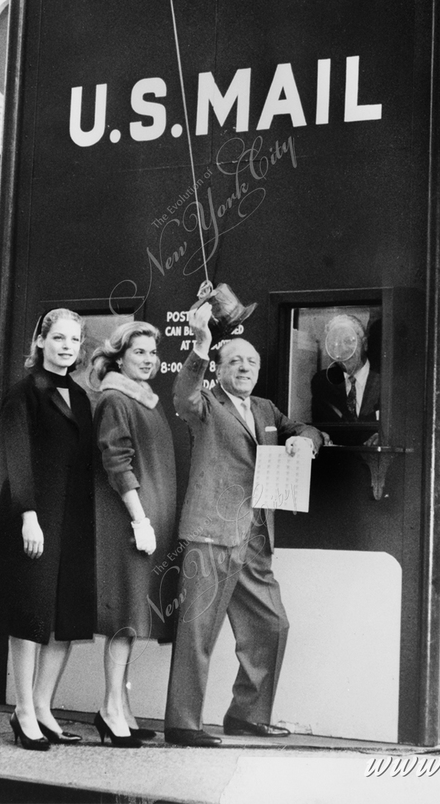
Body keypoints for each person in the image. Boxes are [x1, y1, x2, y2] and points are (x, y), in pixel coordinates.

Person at [163, 304, 325, 747]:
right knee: (198, 630)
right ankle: (182, 724)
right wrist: (198, 346)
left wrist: (304, 442)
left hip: (255, 535)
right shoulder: (206, 404)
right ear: (218, 369)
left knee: (272, 625)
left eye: (251, 362)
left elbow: (310, 430)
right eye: (234, 360)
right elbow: (183, 396)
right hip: (212, 531)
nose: (244, 367)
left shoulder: (266, 409)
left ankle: (247, 716)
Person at [0, 309, 96, 751]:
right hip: (34, 519)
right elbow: (17, 459)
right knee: (30, 615)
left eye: (74, 340)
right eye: (58, 337)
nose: (66, 346)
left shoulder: (80, 396)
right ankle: (23, 712)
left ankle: (43, 708)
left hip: (72, 521)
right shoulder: (23, 394)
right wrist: (28, 515)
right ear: (40, 341)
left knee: (64, 619)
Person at [90, 321, 178, 747]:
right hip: (128, 525)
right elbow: (117, 462)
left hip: (148, 525)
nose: (148, 359)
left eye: (152, 353)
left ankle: (120, 707)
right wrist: (140, 519)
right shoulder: (115, 398)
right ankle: (110, 707)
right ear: (119, 356)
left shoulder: (144, 399)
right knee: (123, 619)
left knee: (132, 619)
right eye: (139, 352)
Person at [309, 313, 381, 447]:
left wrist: (384, 436)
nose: (341, 350)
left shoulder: (385, 382)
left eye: (349, 341)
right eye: (334, 344)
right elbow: (319, 428)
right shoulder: (322, 382)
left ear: (364, 344)